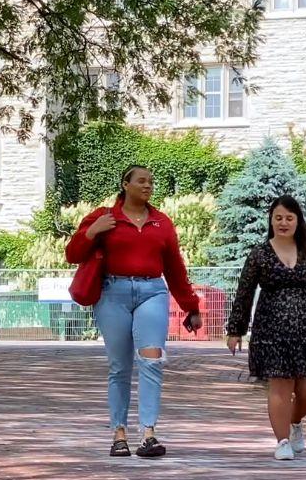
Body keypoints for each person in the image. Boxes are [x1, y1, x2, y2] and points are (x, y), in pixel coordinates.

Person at [66, 166, 203, 458]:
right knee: (120, 367)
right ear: (125, 184)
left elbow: (175, 269)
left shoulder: (161, 223)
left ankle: (149, 434)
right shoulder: (104, 217)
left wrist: (190, 306)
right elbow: (72, 254)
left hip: (152, 292)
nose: (148, 185)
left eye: (151, 182)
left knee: (151, 361)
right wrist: (92, 231)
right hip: (112, 294)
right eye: (141, 181)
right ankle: (119, 434)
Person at [225, 196, 306, 460]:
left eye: (289, 218)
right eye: (278, 217)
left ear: (298, 221)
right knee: (280, 385)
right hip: (271, 330)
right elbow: (244, 294)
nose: (283, 223)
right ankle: (281, 442)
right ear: (271, 220)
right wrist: (236, 330)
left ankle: (294, 422)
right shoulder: (259, 254)